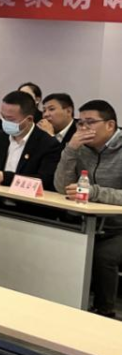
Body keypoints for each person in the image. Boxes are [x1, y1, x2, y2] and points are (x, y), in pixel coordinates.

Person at [54, 100, 122, 317]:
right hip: (86, 222)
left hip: (118, 227)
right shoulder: (81, 149)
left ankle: (105, 312)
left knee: (103, 255)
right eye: (80, 123)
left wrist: (94, 192)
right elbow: (61, 186)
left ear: (110, 125)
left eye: (90, 123)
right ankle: (66, 305)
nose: (83, 128)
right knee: (59, 242)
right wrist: (70, 149)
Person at [0, 90, 62, 191]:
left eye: (10, 119)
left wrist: (6, 178)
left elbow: (44, 180)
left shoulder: (48, 144)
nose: (5, 122)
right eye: (3, 117)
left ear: (29, 119)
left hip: (25, 199)